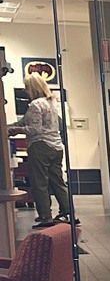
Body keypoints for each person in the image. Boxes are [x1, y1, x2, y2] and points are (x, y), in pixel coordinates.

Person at [22, 70, 73, 228]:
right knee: (58, 181)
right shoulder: (52, 102)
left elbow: (34, 129)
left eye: (26, 87)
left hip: (40, 146)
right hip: (56, 147)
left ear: (32, 88)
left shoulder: (36, 104)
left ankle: (45, 216)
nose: (25, 90)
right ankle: (68, 212)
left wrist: (14, 130)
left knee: (40, 183)